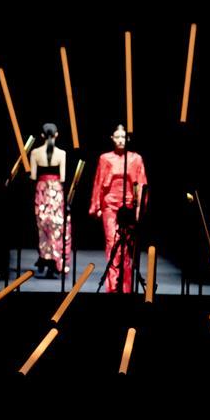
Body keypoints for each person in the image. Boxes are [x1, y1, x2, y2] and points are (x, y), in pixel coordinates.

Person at [89, 124, 148, 293]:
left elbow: (142, 184)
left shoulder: (135, 159)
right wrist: (96, 205)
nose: (121, 140)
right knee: (112, 243)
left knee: (127, 247)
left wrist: (139, 208)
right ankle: (113, 286)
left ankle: (126, 287)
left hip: (128, 206)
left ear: (127, 139)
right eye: (117, 137)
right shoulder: (105, 158)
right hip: (109, 204)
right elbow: (98, 182)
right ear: (112, 139)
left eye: (123, 137)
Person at [29, 122, 72, 277]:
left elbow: (33, 176)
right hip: (55, 190)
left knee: (43, 226)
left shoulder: (35, 153)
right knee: (57, 227)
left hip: (41, 190)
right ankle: (55, 259)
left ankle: (45, 257)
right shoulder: (62, 153)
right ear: (57, 135)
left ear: (42, 135)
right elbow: (63, 178)